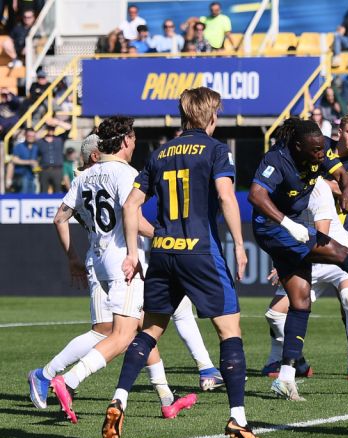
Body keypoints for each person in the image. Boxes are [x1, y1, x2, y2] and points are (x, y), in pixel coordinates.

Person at [98, 89, 259, 438]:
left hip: (163, 252)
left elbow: (130, 205)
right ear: (211, 116)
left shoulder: (159, 153)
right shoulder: (217, 150)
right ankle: (238, 417)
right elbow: (226, 196)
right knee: (229, 331)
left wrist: (132, 254)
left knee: (150, 331)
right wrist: (238, 243)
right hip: (200, 252)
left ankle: (119, 398)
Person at [27, 135, 217, 416]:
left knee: (139, 326)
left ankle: (166, 397)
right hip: (122, 261)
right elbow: (134, 218)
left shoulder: (83, 179)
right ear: (99, 153)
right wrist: (167, 236)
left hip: (99, 260)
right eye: (130, 141)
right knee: (116, 331)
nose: (131, 147)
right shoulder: (121, 173)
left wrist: (73, 258)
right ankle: (51, 376)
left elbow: (59, 218)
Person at [248, 117, 348, 400]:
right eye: (316, 150)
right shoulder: (276, 159)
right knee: (340, 254)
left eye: (323, 148)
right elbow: (256, 196)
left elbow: (344, 177)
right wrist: (288, 224)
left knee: (301, 302)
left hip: (293, 227)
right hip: (272, 228)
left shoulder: (321, 154)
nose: (322, 154)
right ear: (298, 146)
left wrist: (347, 193)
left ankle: (286, 378)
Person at [262, 115, 348, 381]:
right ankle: (292, 360)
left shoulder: (343, 168)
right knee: (274, 314)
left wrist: (347, 189)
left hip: (331, 243)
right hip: (307, 247)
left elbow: (339, 188)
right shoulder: (305, 163)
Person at [36, 119, 71, 194]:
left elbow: (69, 128)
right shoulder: (40, 141)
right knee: (43, 192)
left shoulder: (60, 139)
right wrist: (44, 125)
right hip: (44, 170)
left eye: (52, 128)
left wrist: (57, 122)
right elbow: (34, 136)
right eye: (49, 128)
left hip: (57, 170)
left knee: (57, 191)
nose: (51, 130)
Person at [10, 128, 39, 193]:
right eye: (29, 136)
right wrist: (29, 162)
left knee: (32, 196)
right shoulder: (19, 146)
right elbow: (14, 160)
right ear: (25, 136)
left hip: (32, 176)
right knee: (22, 196)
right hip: (21, 176)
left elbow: (37, 161)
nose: (31, 138)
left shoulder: (36, 147)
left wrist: (37, 168)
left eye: (33, 136)